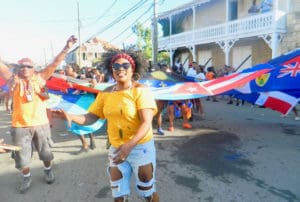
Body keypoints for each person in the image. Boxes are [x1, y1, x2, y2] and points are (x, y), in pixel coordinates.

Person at [53, 49, 159, 201]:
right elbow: (90, 117)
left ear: (133, 69)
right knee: (118, 194)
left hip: (140, 147)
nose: (120, 68)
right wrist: (69, 116)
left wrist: (130, 145)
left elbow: (146, 122)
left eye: (125, 65)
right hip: (116, 148)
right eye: (115, 66)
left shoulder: (140, 91)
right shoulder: (105, 93)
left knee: (147, 192)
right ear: (111, 70)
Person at [0, 35, 77, 194]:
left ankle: (48, 170)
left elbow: (55, 62)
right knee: (21, 157)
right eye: (22, 66)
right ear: (18, 68)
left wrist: (66, 47)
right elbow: (2, 66)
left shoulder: (41, 78)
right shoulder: (12, 80)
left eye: (28, 66)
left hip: (41, 124)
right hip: (20, 126)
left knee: (46, 152)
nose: (25, 69)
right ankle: (26, 177)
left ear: (33, 68)